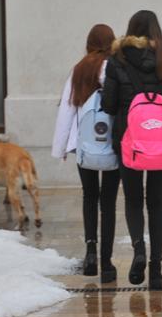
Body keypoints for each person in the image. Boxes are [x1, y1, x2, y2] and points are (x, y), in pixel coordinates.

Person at [102, 10, 162, 290]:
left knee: (134, 200)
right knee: (157, 201)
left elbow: (109, 105)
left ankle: (139, 250)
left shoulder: (118, 59)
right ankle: (156, 270)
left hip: (129, 139)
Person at [51, 24, 119, 283]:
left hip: (85, 144)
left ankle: (90, 255)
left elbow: (67, 110)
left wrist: (62, 146)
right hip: (112, 144)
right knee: (109, 201)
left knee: (90, 196)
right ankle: (107, 262)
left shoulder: (79, 70)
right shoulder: (116, 67)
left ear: (89, 43)